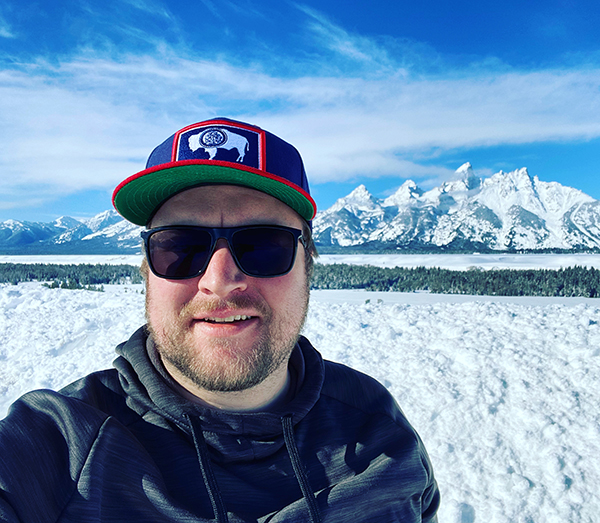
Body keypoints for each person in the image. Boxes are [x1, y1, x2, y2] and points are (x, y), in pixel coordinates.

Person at [0, 118, 440, 522]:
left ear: (308, 266)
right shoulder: (59, 446)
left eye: (265, 246)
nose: (219, 280)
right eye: (179, 248)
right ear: (146, 272)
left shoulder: (380, 432)